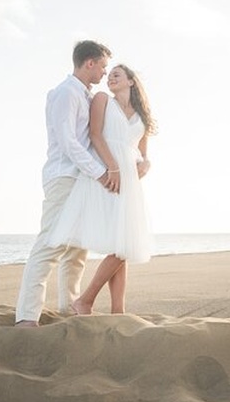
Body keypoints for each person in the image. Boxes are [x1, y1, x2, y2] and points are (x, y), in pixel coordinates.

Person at [15, 40, 115, 327]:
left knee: (76, 249)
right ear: (89, 63)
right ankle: (26, 316)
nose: (105, 73)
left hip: (82, 179)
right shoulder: (66, 92)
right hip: (64, 176)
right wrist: (100, 172)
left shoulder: (87, 95)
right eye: (103, 66)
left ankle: (68, 307)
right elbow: (68, 141)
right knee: (50, 244)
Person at [47, 63, 156, 315]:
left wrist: (146, 165)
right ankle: (85, 300)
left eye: (117, 74)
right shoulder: (102, 99)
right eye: (109, 74)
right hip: (107, 175)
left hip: (130, 182)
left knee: (123, 243)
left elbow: (143, 154)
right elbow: (95, 135)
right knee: (122, 245)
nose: (110, 77)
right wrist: (112, 169)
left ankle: (118, 310)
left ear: (131, 81)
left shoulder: (142, 114)